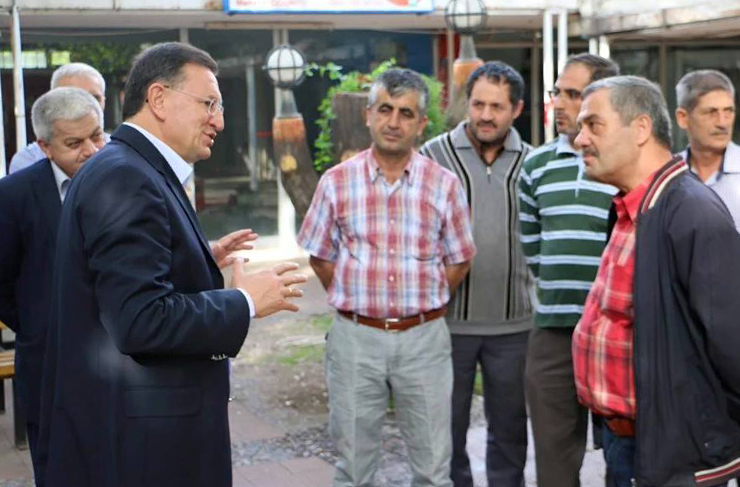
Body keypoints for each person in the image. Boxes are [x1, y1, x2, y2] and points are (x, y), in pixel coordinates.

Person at [36, 42, 307, 487]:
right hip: (143, 448)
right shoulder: (127, 176)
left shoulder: (132, 167)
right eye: (209, 104)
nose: (219, 121)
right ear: (158, 99)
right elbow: (141, 320)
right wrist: (244, 301)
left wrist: (196, 258)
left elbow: (125, 280)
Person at [298, 68, 476, 487]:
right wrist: (358, 300)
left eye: (405, 113)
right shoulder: (336, 182)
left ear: (421, 123)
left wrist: (421, 305)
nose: (394, 122)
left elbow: (459, 261)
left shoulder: (444, 185)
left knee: (433, 470)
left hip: (424, 341)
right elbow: (320, 257)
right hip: (356, 339)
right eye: (385, 109)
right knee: (353, 469)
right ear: (368, 115)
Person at [572, 74, 740, 487]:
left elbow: (731, 345)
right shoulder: (635, 207)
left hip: (676, 455)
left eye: (593, 125)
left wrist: (711, 444)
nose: (579, 140)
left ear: (641, 129)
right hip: (628, 442)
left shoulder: (692, 213)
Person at [421, 61, 532, 487]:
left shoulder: (533, 163)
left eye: (497, 107)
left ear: (516, 109)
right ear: (467, 102)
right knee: (445, 430)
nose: (486, 115)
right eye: (478, 104)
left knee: (510, 431)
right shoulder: (431, 157)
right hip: (446, 325)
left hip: (515, 325)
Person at [517, 53, 619, 487]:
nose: (559, 103)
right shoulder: (536, 166)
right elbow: (534, 248)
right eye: (557, 92)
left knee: (627, 458)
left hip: (620, 333)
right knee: (554, 464)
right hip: (554, 333)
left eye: (572, 94)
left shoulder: (625, 166)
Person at [0, 87, 105, 478]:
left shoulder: (126, 179)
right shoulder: (13, 196)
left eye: (97, 136)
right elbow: (3, 281)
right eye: (74, 144)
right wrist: (39, 323)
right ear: (44, 146)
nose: (91, 150)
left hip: (119, 357)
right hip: (49, 363)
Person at [10, 62, 110, 174]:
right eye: (72, 98)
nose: (85, 106)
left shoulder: (122, 151)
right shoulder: (28, 161)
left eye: (95, 98)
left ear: (104, 101)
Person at [675, 69, 740, 229]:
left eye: (728, 111)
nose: (722, 123)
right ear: (683, 118)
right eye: (711, 112)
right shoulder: (666, 174)